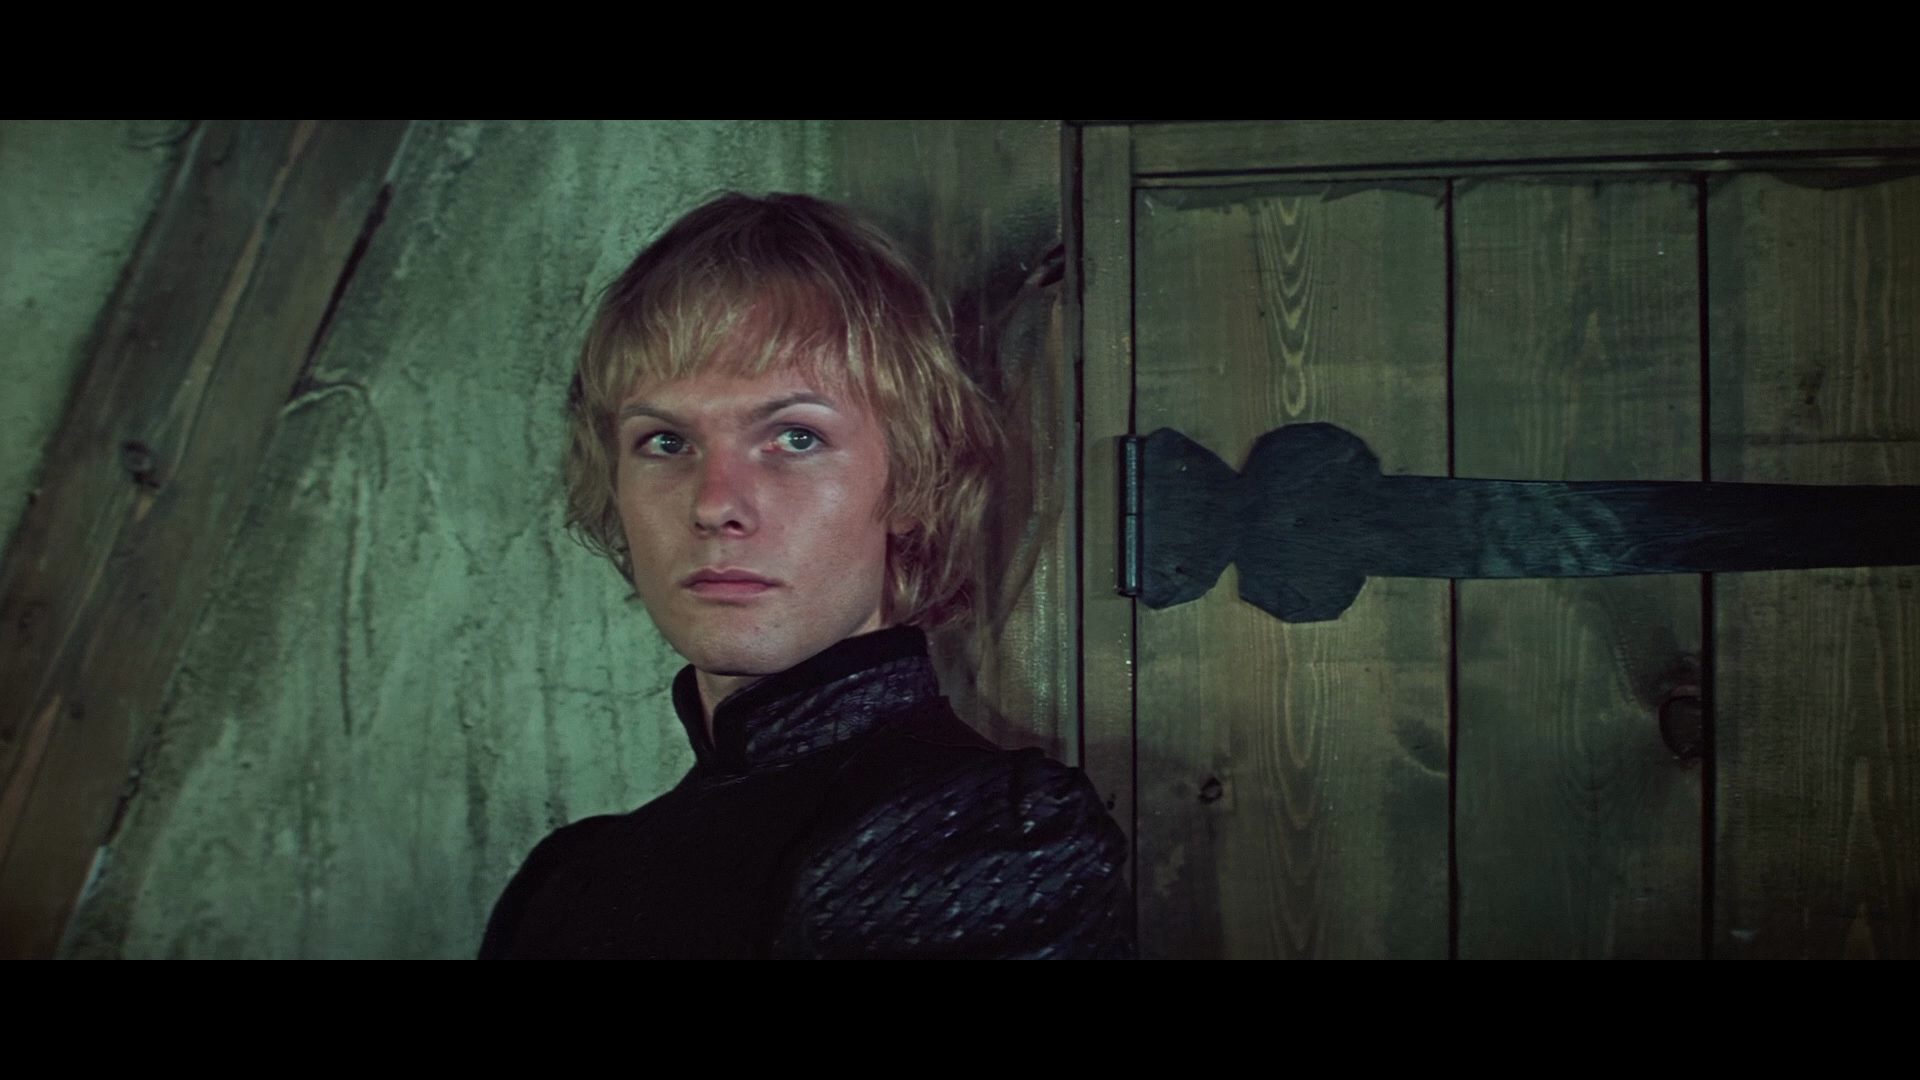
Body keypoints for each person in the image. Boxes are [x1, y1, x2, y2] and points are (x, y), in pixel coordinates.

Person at [479, 193, 1131, 958]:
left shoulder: (989, 834)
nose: (715, 504)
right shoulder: (567, 879)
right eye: (665, 442)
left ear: (913, 480)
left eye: (795, 437)